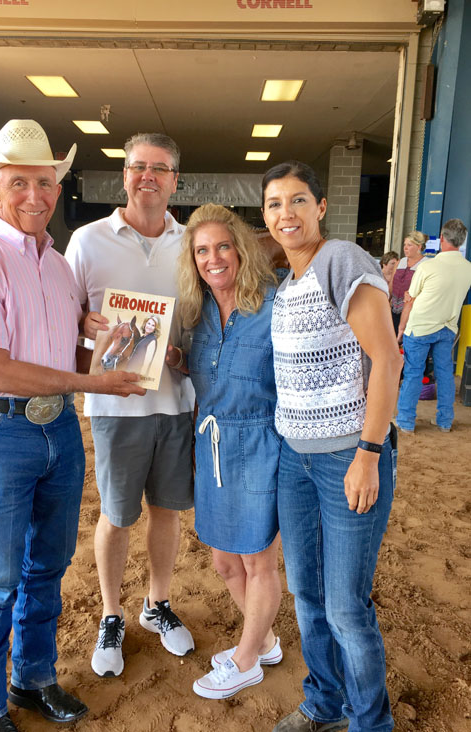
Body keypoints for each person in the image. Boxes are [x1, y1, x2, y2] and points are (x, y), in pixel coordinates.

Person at [0, 119, 145, 732]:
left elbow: (66, 356)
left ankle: (32, 679)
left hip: (56, 431)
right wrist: (92, 382)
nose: (36, 194)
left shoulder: (57, 266)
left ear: (58, 188)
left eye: (46, 181)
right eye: (20, 182)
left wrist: (116, 342)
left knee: (47, 568)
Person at [262, 160, 402, 732]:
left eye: (297, 200)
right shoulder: (287, 283)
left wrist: (368, 453)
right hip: (294, 459)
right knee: (307, 595)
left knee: (345, 605)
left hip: (348, 454)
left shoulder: (340, 260)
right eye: (274, 203)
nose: (285, 213)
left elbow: (388, 359)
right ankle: (324, 703)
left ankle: (371, 723)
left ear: (320, 207)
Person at [65, 133, 195, 680]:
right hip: (114, 408)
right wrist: (85, 325)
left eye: (160, 169)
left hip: (176, 402)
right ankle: (112, 614)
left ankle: (157, 603)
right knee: (117, 515)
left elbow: (203, 322)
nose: (148, 177)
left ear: (173, 180)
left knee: (166, 511)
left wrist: (183, 354)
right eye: (139, 167)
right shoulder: (86, 241)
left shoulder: (192, 242)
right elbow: (64, 320)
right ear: (124, 174)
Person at [171, 203, 282, 700]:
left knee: (259, 563)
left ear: (240, 250)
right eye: (201, 251)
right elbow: (208, 375)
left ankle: (245, 659)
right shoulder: (199, 316)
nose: (212, 258)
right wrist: (173, 359)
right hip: (211, 444)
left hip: (261, 444)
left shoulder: (276, 307)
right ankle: (267, 641)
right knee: (223, 562)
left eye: (221, 246)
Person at [396, 218, 471, 434]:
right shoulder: (468, 268)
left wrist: (402, 329)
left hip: (420, 327)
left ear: (443, 239)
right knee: (445, 374)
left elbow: (410, 300)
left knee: (413, 373)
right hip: (447, 327)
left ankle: (406, 421)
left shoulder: (429, 266)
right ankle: (445, 421)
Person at [390, 230, 427, 331]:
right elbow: (392, 285)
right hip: (393, 310)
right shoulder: (399, 262)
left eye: (409, 245)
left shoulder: (425, 265)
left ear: (419, 247)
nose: (405, 248)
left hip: (412, 313)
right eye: (404, 244)